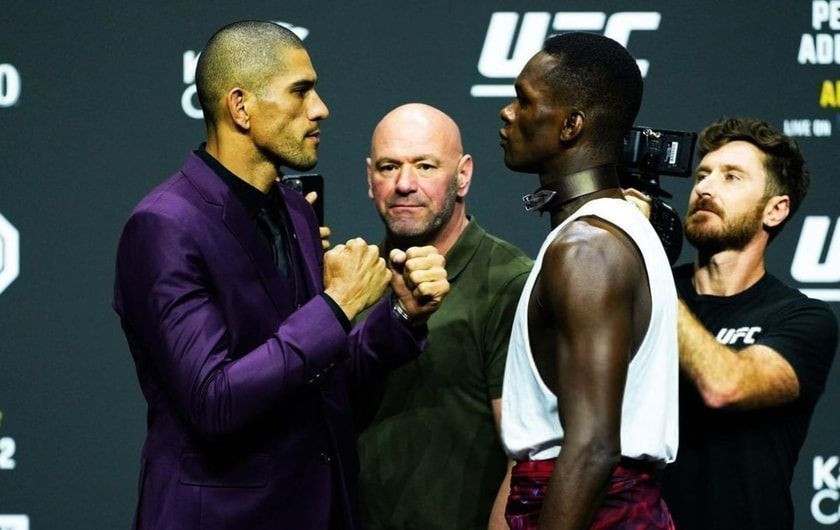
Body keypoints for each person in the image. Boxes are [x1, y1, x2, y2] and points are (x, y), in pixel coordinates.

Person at [112, 21, 449, 530]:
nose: (320, 109)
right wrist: (336, 305)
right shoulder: (164, 225)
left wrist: (401, 313)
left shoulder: (293, 209)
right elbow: (215, 401)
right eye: (301, 91)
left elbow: (320, 378)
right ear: (241, 107)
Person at [497, 32, 679, 529]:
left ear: (571, 124)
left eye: (524, 100)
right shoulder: (614, 229)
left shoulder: (587, 250)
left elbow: (594, 445)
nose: (507, 113)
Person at [353, 103, 532, 529]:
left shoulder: (509, 281)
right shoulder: (354, 278)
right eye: (388, 167)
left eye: (425, 166)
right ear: (369, 177)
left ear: (463, 174)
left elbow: (524, 460)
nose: (404, 184)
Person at [658, 117, 839, 529]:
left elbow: (726, 386)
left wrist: (644, 264)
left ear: (775, 210)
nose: (705, 187)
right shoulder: (648, 288)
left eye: (731, 177)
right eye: (702, 174)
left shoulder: (802, 317)